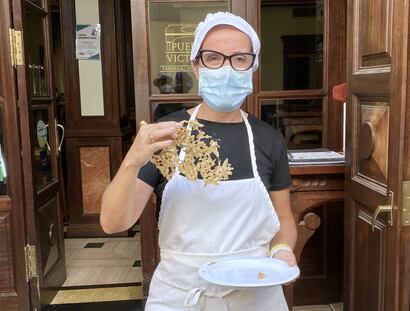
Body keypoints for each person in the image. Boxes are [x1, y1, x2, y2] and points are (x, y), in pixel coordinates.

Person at [100, 11, 297, 310]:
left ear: (252, 67)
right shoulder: (167, 135)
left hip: (256, 296)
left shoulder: (268, 139)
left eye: (240, 59)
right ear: (196, 66)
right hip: (180, 297)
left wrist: (282, 250)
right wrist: (131, 161)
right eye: (213, 58)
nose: (227, 68)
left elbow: (283, 217)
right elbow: (114, 222)